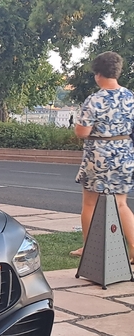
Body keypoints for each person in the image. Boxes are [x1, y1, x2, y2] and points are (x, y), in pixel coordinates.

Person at [69, 51, 134, 258]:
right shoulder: (130, 97)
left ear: (98, 74)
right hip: (124, 153)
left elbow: (82, 132)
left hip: (98, 155)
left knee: (90, 203)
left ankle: (89, 249)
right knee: (121, 203)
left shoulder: (94, 100)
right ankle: (133, 248)